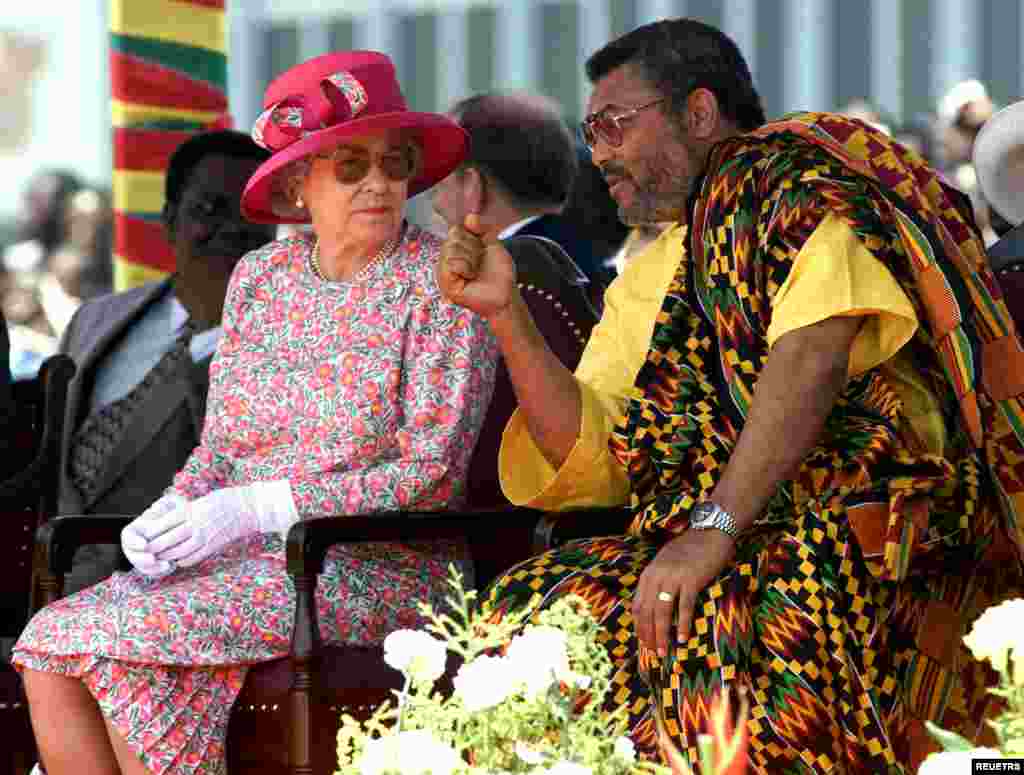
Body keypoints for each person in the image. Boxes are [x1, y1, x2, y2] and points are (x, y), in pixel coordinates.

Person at [439, 18, 1024, 773]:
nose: (601, 153)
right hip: (715, 535)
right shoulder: (651, 269)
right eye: (590, 130)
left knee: (737, 616)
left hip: (856, 523)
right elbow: (598, 458)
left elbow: (811, 352)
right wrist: (506, 313)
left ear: (700, 113)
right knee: (535, 607)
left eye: (615, 124)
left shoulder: (781, 182)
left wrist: (714, 527)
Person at [14, 50, 497, 775]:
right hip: (245, 566)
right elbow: (221, 449)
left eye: (393, 163)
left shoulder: (439, 282)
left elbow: (429, 475)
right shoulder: (260, 277)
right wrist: (174, 512)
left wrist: (261, 507)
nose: (378, 182)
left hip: (370, 565)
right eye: (350, 164)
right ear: (300, 182)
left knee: (118, 637)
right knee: (49, 641)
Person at [57, 130, 277, 594]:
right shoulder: (97, 320)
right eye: (209, 209)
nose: (232, 227)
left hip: (175, 585)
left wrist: (219, 325)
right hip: (51, 573)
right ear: (169, 219)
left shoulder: (286, 337)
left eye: (251, 212)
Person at [431, 93, 603, 282]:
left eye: (438, 187)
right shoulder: (604, 265)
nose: (436, 207)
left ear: (471, 188)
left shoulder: (491, 286)